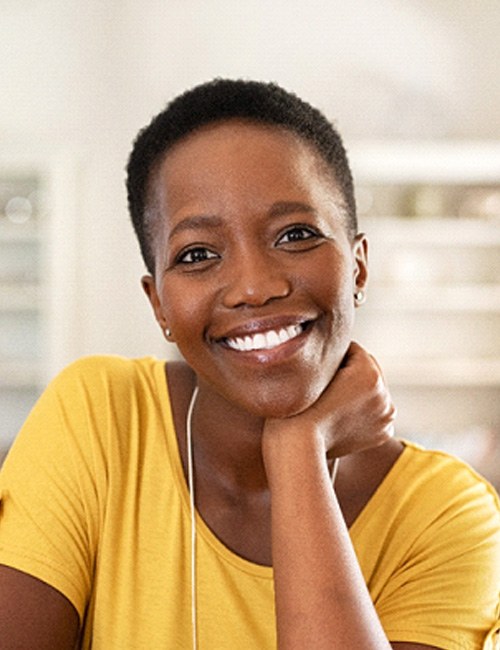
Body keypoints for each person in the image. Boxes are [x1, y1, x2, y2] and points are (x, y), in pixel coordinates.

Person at [0, 79, 499, 650]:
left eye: (296, 235)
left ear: (358, 268)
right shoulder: (99, 416)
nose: (255, 288)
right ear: (158, 302)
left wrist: (296, 451)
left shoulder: (446, 515)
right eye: (198, 254)